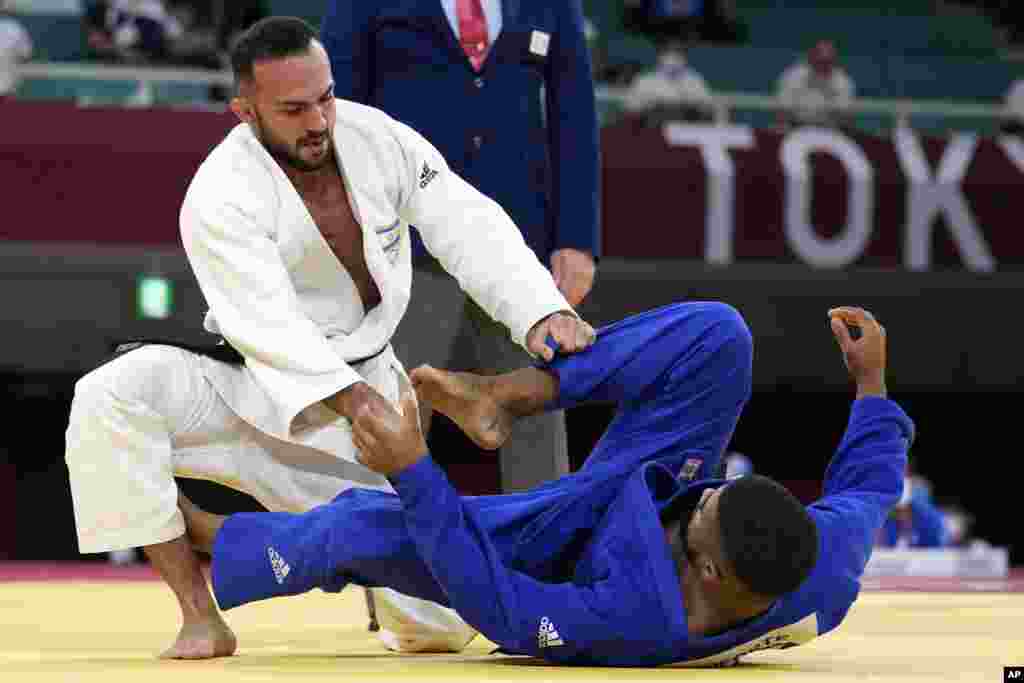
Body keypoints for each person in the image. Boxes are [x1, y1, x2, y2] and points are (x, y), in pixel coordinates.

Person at [64, 16, 595, 661]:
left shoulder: (379, 140)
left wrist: (539, 310)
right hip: (244, 384)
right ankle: (198, 612)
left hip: (353, 397)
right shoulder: (220, 193)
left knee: (442, 625)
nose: (317, 121)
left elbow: (466, 222)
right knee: (109, 396)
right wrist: (365, 410)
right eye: (293, 109)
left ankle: (315, 556)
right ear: (244, 111)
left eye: (325, 98)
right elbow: (268, 326)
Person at [180, 303, 915, 667]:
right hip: (639, 497)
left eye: (706, 508)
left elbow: (497, 604)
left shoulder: (628, 618)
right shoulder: (823, 562)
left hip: (560, 555)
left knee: (362, 528)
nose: (705, 491)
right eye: (716, 488)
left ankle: (219, 540)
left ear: (711, 567)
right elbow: (872, 488)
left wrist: (414, 470)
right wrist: (873, 383)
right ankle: (508, 391)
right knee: (720, 338)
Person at [320, 0, 601, 496]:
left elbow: (572, 112)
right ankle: (366, 555)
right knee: (389, 414)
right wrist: (346, 239)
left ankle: (543, 554)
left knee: (537, 409)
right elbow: (338, 116)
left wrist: (577, 239)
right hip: (404, 246)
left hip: (518, 248)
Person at [776, 40, 856, 130]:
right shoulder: (792, 75)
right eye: (819, 61)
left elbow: (846, 116)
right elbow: (782, 110)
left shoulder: (843, 81)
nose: (822, 66)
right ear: (810, 58)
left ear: (834, 61)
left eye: (827, 62)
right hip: (795, 128)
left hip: (831, 130)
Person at [0, 0, 32, 101]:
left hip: (6, 88)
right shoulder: (14, 28)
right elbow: (25, 55)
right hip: (7, 87)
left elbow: (26, 55)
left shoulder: (14, 28)